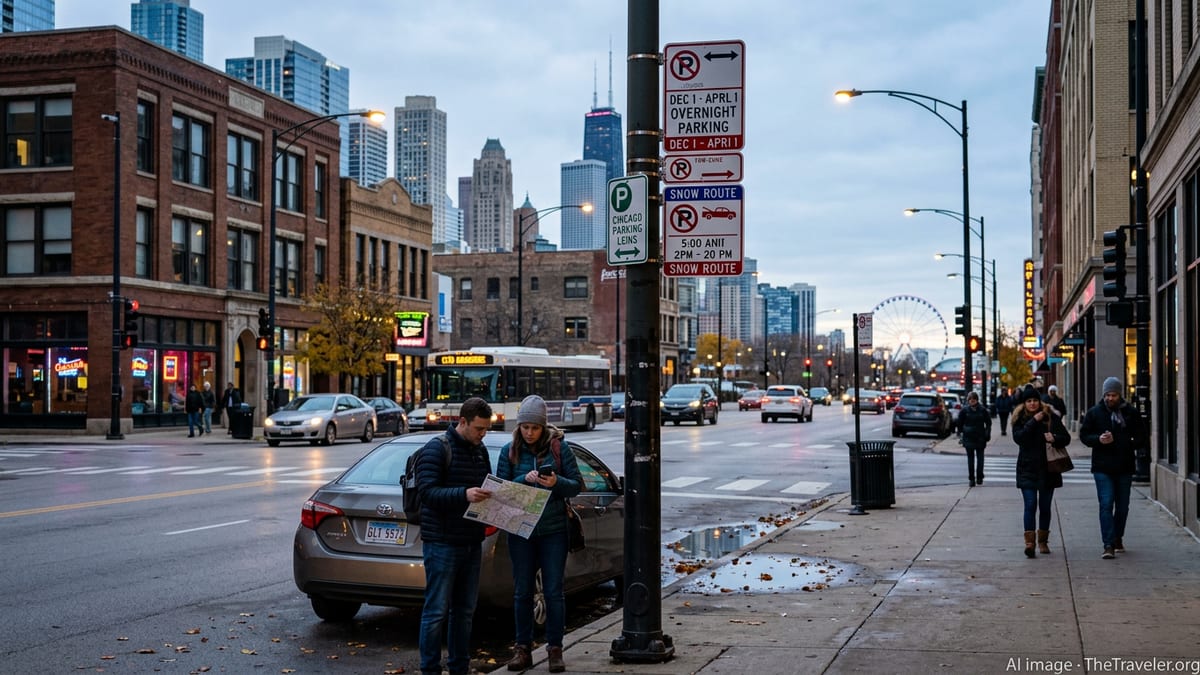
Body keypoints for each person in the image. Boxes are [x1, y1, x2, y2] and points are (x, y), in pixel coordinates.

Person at [497, 395, 582, 673]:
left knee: (554, 591)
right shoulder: (509, 452)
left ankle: (555, 649)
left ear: (544, 427)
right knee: (522, 592)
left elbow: (576, 486)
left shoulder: (559, 449)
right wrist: (524, 479)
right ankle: (522, 649)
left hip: (552, 531)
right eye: (525, 427)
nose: (530, 433)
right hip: (520, 531)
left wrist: (557, 482)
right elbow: (500, 491)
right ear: (519, 427)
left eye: (535, 427)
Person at [416, 397, 494, 675]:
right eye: (478, 429)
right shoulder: (437, 449)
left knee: (464, 611)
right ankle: (430, 669)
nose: (482, 434)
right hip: (442, 542)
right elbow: (427, 493)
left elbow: (485, 485)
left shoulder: (480, 450)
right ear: (462, 422)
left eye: (486, 430)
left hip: (471, 541)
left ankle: (459, 667)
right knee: (436, 611)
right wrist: (464, 494)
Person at [1079, 376, 1143, 559]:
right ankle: (1108, 544)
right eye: (1107, 395)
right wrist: (1098, 439)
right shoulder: (1095, 413)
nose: (1110, 398)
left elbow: (1141, 438)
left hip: (1124, 466)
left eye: (1113, 395)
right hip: (1102, 467)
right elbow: (1085, 435)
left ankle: (1117, 537)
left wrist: (1124, 441)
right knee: (1106, 504)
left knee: (1122, 506)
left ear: (1120, 395)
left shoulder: (1130, 413)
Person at [1012, 385, 1070, 557]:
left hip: (1048, 468)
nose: (1032, 404)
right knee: (1030, 505)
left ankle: (1043, 541)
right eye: (1029, 401)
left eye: (1035, 400)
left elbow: (1065, 438)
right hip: (1027, 468)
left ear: (1039, 401)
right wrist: (1033, 421)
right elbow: (1019, 438)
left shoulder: (1050, 417)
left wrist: (1055, 438)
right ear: (1024, 403)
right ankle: (1029, 543)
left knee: (1045, 506)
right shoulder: (1019, 418)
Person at [959, 391, 992, 486]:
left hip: (980, 437)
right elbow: (960, 424)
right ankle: (971, 478)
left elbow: (988, 422)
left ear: (977, 400)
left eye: (974, 400)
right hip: (968, 437)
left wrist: (987, 433)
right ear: (968, 400)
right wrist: (961, 434)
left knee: (980, 458)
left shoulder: (982, 410)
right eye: (970, 400)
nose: (972, 402)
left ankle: (979, 476)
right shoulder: (964, 411)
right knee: (971, 459)